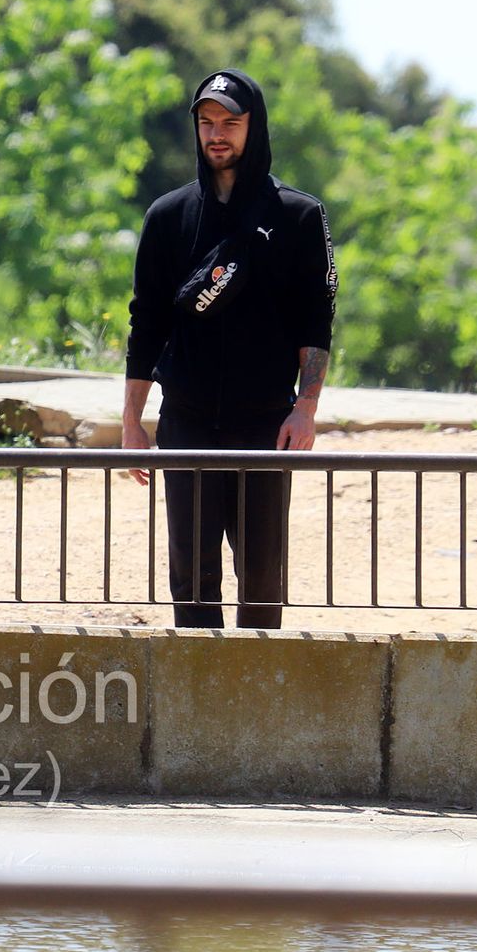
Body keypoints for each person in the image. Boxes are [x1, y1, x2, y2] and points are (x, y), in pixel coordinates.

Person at [122, 69, 338, 629]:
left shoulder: (299, 215)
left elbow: (317, 319)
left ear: (253, 127)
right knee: (191, 578)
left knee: (263, 576)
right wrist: (131, 421)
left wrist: (305, 408)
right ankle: (197, 685)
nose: (217, 134)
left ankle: (260, 682)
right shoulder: (167, 216)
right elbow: (146, 323)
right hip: (187, 420)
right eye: (206, 122)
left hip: (265, 422)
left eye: (230, 123)